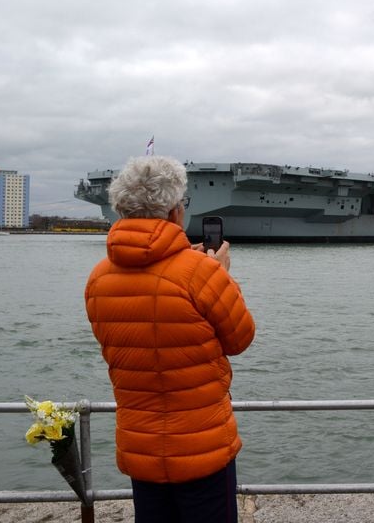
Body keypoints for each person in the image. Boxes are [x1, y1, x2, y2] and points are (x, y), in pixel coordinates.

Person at [85, 155, 255, 522]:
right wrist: (219, 277)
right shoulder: (201, 274)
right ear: (177, 212)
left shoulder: (98, 278)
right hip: (203, 447)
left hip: (140, 447)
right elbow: (240, 340)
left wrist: (191, 271)